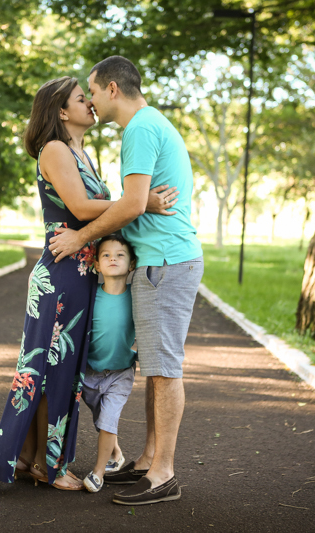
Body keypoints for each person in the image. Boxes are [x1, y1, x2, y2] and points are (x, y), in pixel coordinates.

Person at [0, 76, 179, 490]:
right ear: (60, 111)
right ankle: (46, 466)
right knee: (49, 369)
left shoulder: (82, 153)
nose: (90, 102)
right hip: (60, 273)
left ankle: (28, 457)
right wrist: (140, 203)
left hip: (80, 272)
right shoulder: (54, 149)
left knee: (60, 368)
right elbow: (80, 206)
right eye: (80, 98)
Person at [49, 56, 204, 505]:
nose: (92, 102)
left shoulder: (138, 129)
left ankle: (163, 474)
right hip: (161, 261)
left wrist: (80, 236)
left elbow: (134, 204)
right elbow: (138, 202)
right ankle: (149, 461)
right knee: (156, 369)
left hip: (165, 262)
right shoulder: (150, 124)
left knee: (164, 370)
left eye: (94, 92)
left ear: (113, 88)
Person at [81, 234, 137, 493]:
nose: (113, 259)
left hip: (120, 372)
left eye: (120, 255)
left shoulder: (137, 298)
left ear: (132, 263)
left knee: (107, 420)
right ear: (96, 264)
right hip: (90, 372)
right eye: (106, 255)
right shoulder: (90, 297)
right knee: (102, 421)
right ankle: (116, 454)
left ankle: (98, 473)